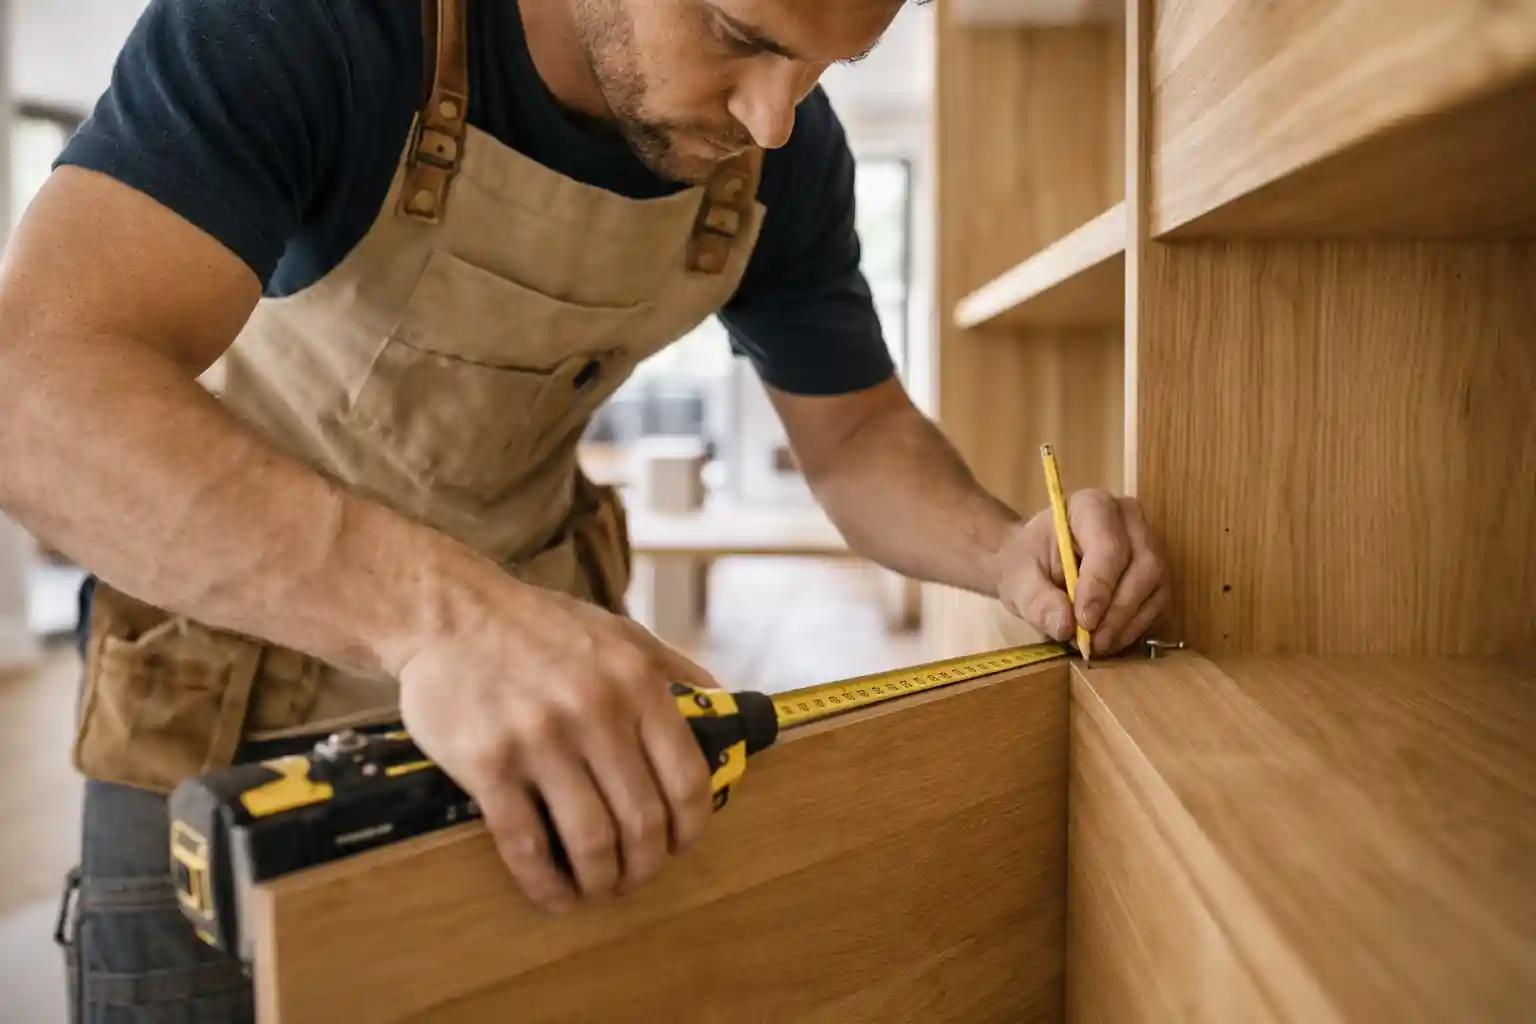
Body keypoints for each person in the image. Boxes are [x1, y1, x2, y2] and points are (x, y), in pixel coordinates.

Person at [0, 0, 1169, 1019]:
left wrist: (1008, 548)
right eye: (739, 37)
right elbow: (32, 389)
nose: (771, 118)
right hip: (215, 728)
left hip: (565, 730)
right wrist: (449, 622)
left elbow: (857, 436)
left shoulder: (784, 151)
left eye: (826, 70)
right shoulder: (312, 26)